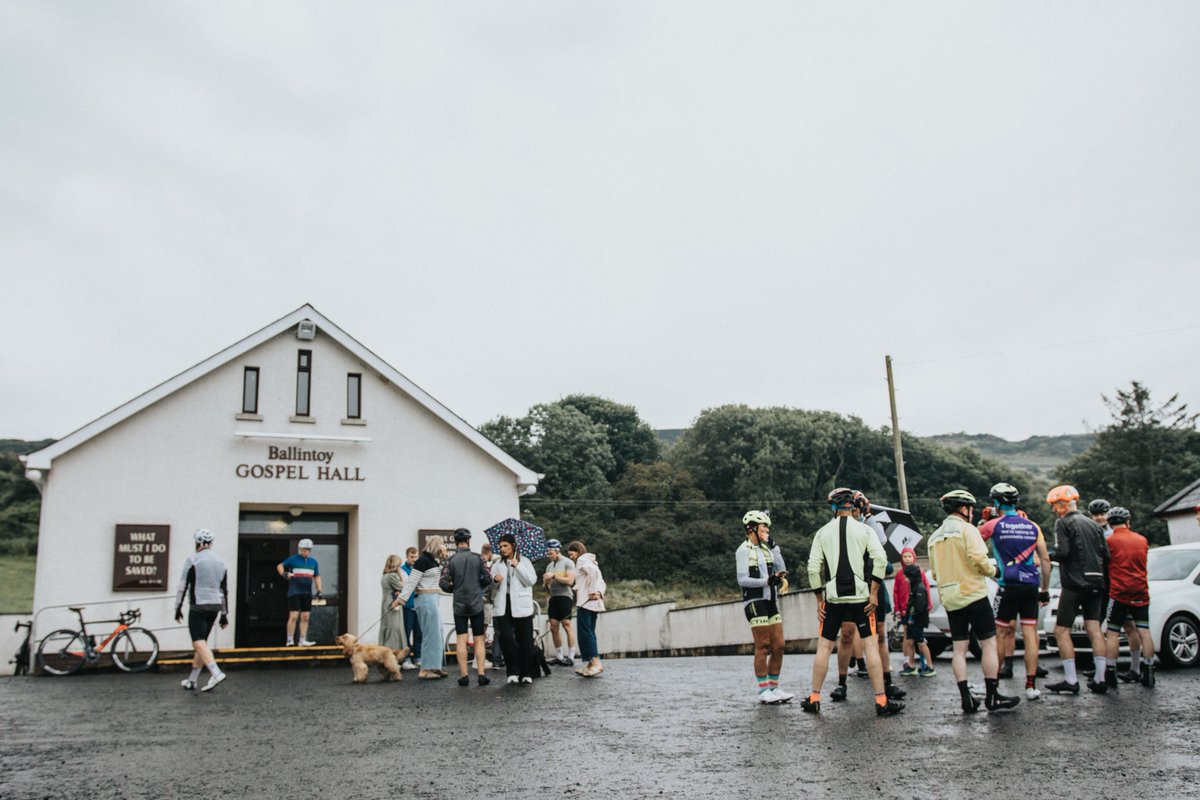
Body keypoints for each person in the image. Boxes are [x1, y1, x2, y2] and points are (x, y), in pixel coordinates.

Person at [800, 488, 903, 716]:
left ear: (834, 508)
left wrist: (819, 599)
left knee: (825, 646)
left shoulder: (822, 532)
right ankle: (881, 701)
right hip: (861, 598)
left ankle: (815, 698)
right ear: (852, 506)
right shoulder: (865, 530)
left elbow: (813, 568)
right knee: (870, 645)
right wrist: (874, 591)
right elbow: (880, 559)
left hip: (834, 599)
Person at [928, 490, 1019, 713]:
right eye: (970, 508)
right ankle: (992, 696)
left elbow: (936, 574)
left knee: (959, 648)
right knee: (988, 643)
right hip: (973, 594)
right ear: (963, 509)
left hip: (949, 597)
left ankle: (965, 698)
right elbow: (980, 561)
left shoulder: (934, 537)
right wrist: (995, 570)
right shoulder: (967, 529)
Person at [986, 483, 1051, 700]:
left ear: (996, 503)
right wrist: (1045, 589)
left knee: (1001, 633)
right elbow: (1045, 559)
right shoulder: (1033, 526)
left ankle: (993, 685)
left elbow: (972, 543)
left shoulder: (994, 524)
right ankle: (1031, 685)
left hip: (1008, 584)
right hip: (1031, 584)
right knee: (1031, 633)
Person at [1045, 484, 1111, 695]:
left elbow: (1063, 551)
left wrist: (1047, 556)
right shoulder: (1094, 525)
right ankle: (1100, 679)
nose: (1055, 510)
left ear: (1063, 505)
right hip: (1097, 582)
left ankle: (1071, 680)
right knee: (1095, 629)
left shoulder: (1062, 523)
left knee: (1062, 630)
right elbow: (1106, 556)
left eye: (1055, 506)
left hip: (1074, 583)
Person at [736, 510, 793, 704]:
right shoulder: (744, 550)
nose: (767, 530)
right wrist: (766, 581)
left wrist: (774, 547)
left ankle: (774, 688)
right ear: (752, 528)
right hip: (754, 602)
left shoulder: (767, 549)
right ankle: (763, 691)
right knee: (763, 646)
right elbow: (742, 579)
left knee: (779, 646)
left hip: (770, 601)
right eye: (764, 527)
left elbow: (782, 568)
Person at [854, 492, 905, 702]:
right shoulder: (843, 524)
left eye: (859, 504)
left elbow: (882, 540)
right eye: (855, 504)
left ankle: (887, 680)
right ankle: (859, 670)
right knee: (861, 634)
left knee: (881, 634)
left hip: (876, 583)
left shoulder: (868, 522)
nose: (856, 508)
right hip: (858, 585)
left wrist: (868, 514)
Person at [1103, 507, 1156, 688]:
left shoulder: (1109, 541)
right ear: (1128, 521)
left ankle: (1110, 672)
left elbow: (1105, 563)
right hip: (1141, 591)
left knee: (1113, 632)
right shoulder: (1142, 540)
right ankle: (1148, 671)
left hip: (1118, 593)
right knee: (1143, 631)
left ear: (1110, 523)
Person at [174, 528, 229, 692]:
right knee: (202, 643)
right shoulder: (221, 562)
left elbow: (183, 585)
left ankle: (216, 672)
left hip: (198, 605)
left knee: (197, 641)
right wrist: (224, 614)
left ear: (197, 542)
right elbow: (224, 589)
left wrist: (178, 607)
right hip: (215, 606)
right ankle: (192, 680)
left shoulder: (193, 559)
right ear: (211, 543)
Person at [439, 529, 493, 686]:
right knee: (479, 639)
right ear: (469, 541)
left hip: (459, 604)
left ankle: (464, 676)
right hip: (477, 603)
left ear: (456, 542)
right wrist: (478, 586)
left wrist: (453, 589)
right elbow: (488, 577)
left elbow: (442, 582)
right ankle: (481, 674)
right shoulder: (478, 558)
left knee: (461, 639)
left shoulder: (451, 560)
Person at [398, 536, 448, 679]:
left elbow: (444, 575)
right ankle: (426, 669)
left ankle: (435, 666)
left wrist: (444, 559)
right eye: (442, 545)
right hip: (425, 599)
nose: (444, 547)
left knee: (437, 633)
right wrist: (401, 599)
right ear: (437, 545)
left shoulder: (432, 561)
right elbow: (411, 582)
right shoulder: (422, 561)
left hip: (433, 598)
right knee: (430, 634)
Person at [491, 533, 538, 685]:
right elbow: (490, 584)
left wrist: (518, 566)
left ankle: (526, 672)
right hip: (504, 605)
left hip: (521, 605)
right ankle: (512, 671)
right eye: (500, 547)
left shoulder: (524, 561)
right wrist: (495, 580)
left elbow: (531, 580)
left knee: (525, 639)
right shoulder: (497, 563)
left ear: (513, 545)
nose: (502, 549)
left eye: (505, 546)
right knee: (506, 638)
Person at [895, 547, 936, 677]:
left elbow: (923, 598)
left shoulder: (919, 585)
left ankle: (929, 666)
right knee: (909, 639)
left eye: (909, 556)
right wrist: (898, 609)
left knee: (919, 640)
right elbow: (896, 592)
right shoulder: (900, 575)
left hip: (916, 616)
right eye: (904, 556)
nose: (907, 559)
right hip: (906, 613)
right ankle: (911, 664)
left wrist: (927, 606)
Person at [569, 540, 607, 678]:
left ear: (578, 551)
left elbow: (592, 573)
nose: (570, 557)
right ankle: (589, 665)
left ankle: (595, 663)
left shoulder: (581, 560)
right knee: (589, 632)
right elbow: (602, 582)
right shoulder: (592, 562)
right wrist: (599, 593)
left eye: (571, 553)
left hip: (585, 603)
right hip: (592, 603)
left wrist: (591, 591)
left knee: (585, 634)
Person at [277, 538, 321, 646]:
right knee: (294, 616)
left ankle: (302, 640)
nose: (302, 552)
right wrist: (284, 574)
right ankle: (290, 640)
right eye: (301, 550)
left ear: (309, 550)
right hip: (295, 591)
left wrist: (319, 589)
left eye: (305, 550)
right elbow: (280, 565)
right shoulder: (293, 559)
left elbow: (317, 576)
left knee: (305, 617)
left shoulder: (313, 562)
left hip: (307, 592)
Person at [542, 539, 578, 667]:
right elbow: (547, 588)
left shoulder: (568, 562)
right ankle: (559, 655)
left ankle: (571, 656)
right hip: (553, 596)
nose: (548, 555)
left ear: (557, 550)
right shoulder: (549, 566)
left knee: (567, 624)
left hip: (565, 596)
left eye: (550, 552)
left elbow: (570, 581)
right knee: (553, 625)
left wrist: (554, 576)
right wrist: (546, 582)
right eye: (547, 552)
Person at [379, 554, 408, 653]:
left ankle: (385, 650)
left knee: (387, 625)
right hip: (393, 603)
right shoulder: (393, 576)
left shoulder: (385, 576)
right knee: (394, 626)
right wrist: (400, 575)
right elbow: (404, 586)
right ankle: (393, 650)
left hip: (386, 602)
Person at [400, 547, 421, 670]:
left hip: (418, 605)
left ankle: (418, 657)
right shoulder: (403, 570)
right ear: (407, 557)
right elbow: (408, 586)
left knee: (419, 633)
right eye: (411, 557)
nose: (414, 559)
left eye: (415, 557)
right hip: (408, 606)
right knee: (406, 634)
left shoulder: (419, 569)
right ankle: (406, 658)